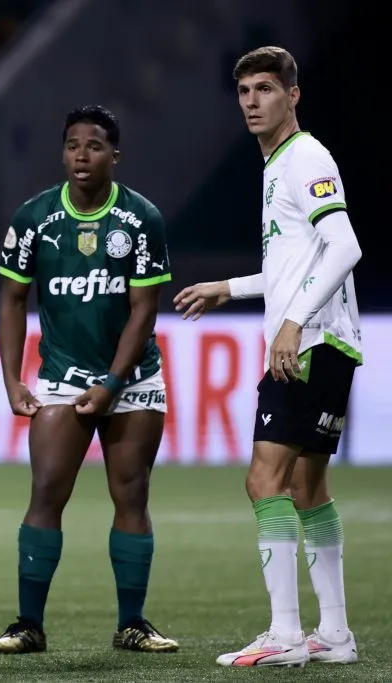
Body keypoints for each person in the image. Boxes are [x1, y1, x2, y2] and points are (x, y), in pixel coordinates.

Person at [174, 46, 361, 667]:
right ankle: (333, 634)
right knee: (308, 489)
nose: (253, 102)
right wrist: (232, 287)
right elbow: (296, 262)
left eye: (265, 89)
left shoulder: (304, 157)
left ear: (293, 95)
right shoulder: (279, 164)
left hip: (309, 343)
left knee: (264, 481)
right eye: (244, 92)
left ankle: (284, 635)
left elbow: (344, 247)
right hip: (327, 343)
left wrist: (290, 323)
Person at [0, 105, 179, 656]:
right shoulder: (34, 218)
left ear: (113, 155)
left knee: (132, 495)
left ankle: (132, 624)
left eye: (93, 146)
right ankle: (28, 625)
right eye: (72, 145)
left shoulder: (142, 218)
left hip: (133, 380)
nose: (80, 156)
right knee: (46, 493)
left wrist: (113, 383)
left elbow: (144, 311)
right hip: (62, 378)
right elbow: (12, 299)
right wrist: (12, 378)